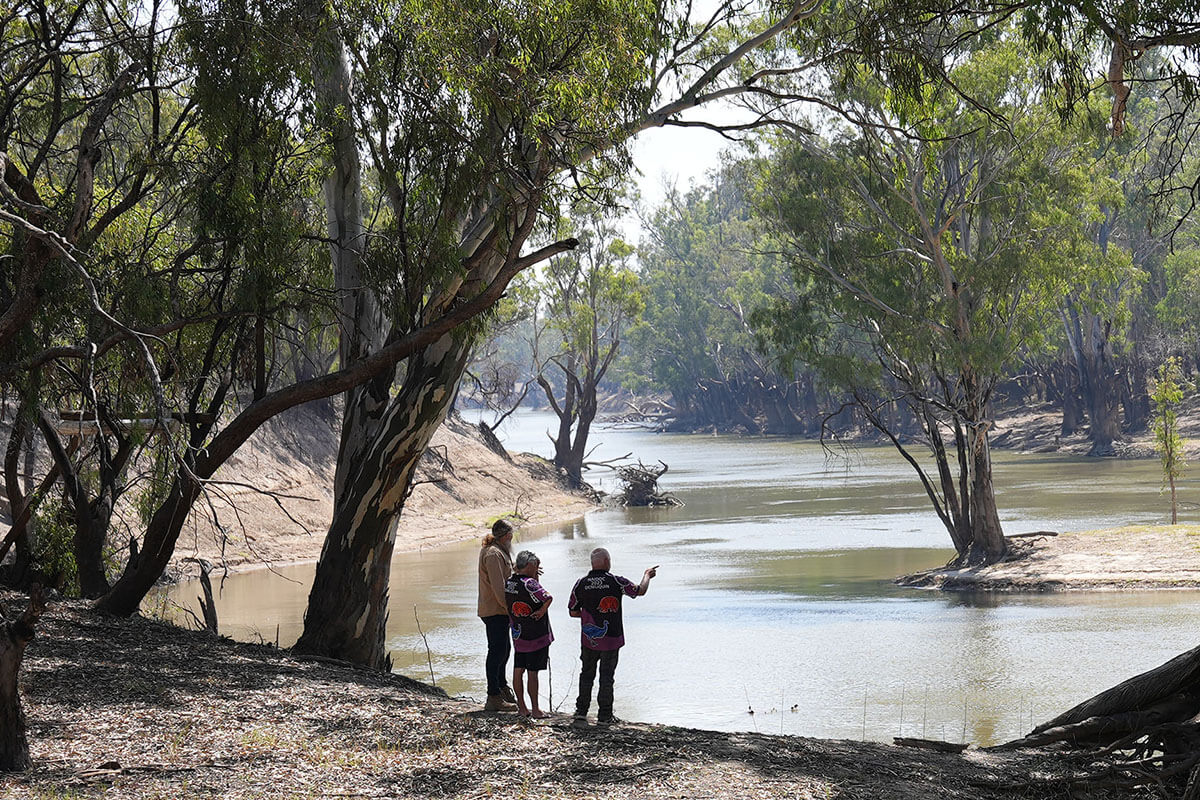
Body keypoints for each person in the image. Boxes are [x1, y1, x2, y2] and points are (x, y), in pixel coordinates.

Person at [568, 547, 657, 724]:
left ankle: (581, 711)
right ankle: (604, 716)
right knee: (606, 676)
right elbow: (640, 591)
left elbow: (572, 611)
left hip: (589, 639)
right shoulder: (616, 581)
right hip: (611, 639)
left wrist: (588, 615)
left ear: (592, 564)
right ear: (607, 562)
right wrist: (647, 575)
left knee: (586, 674)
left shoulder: (581, 583)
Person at [505, 550, 554, 718]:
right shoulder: (529, 583)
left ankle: (522, 708)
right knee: (533, 672)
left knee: (518, 669)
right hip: (535, 635)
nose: (537, 569)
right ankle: (535, 709)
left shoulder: (509, 582)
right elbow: (547, 597)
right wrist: (541, 611)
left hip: (519, 634)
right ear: (530, 565)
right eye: (536, 566)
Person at [478, 519, 517, 711]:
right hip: (495, 610)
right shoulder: (493, 554)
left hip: (499, 610)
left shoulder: (499, 551)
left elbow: (507, 573)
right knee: (497, 651)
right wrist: (511, 610)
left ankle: (502, 688)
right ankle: (493, 696)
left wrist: (525, 570)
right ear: (507, 536)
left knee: (504, 650)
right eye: (512, 535)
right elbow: (498, 587)